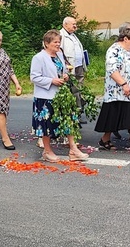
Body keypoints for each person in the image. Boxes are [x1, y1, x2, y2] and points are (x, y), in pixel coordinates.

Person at [31, 30, 90, 162]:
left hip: (61, 94)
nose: (58, 44)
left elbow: (62, 71)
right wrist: (51, 81)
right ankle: (47, 151)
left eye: (59, 41)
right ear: (47, 43)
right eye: (55, 42)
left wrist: (65, 76)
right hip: (45, 96)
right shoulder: (39, 58)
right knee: (46, 124)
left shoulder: (59, 55)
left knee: (69, 119)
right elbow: (34, 77)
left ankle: (73, 149)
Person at [94, 27, 130, 150]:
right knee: (114, 115)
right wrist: (123, 84)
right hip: (118, 91)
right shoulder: (114, 50)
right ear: (125, 39)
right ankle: (105, 139)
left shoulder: (128, 51)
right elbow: (112, 69)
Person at [59, 17, 88, 122]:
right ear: (65, 25)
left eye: (75, 24)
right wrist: (65, 65)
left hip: (79, 66)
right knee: (73, 90)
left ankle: (78, 112)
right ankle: (74, 115)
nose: (75, 26)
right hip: (70, 68)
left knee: (80, 89)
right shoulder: (61, 36)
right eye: (73, 24)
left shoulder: (74, 35)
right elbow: (59, 52)